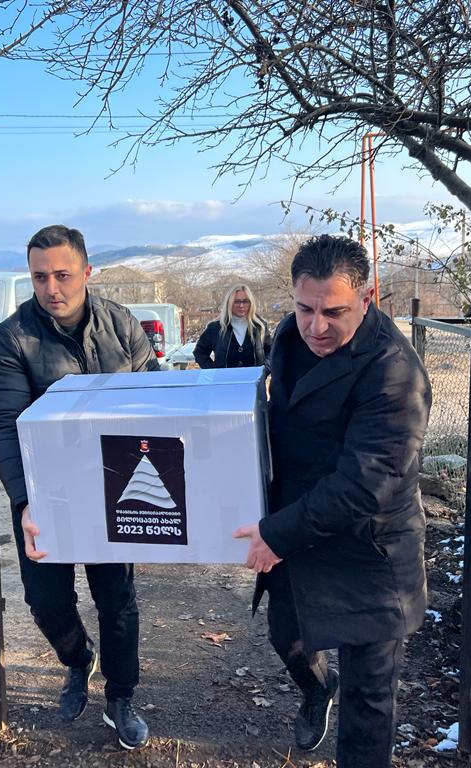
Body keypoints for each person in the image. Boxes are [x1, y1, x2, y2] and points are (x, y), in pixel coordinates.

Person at [233, 235, 432, 767]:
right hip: (300, 525)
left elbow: (364, 485)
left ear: (367, 299)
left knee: (368, 701)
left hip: (370, 550)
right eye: (306, 309)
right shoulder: (289, 335)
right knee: (286, 635)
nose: (317, 327)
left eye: (334, 313)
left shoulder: (394, 372)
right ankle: (319, 687)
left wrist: (276, 534)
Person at [0, 224, 160, 750]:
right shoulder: (12, 338)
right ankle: (79, 659)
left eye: (62, 275)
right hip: (47, 492)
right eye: (40, 277)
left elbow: (153, 398)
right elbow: (3, 425)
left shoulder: (121, 325)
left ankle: (121, 697)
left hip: (114, 487)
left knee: (117, 599)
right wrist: (25, 501)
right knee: (47, 602)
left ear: (87, 272)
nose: (51, 288)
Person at [193, 283, 271, 369]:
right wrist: (213, 371)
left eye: (245, 301)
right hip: (224, 378)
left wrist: (265, 369)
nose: (241, 305)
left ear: (251, 303)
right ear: (229, 303)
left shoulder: (260, 327)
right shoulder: (215, 328)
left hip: (255, 378)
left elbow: (272, 352)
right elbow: (200, 352)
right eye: (236, 301)